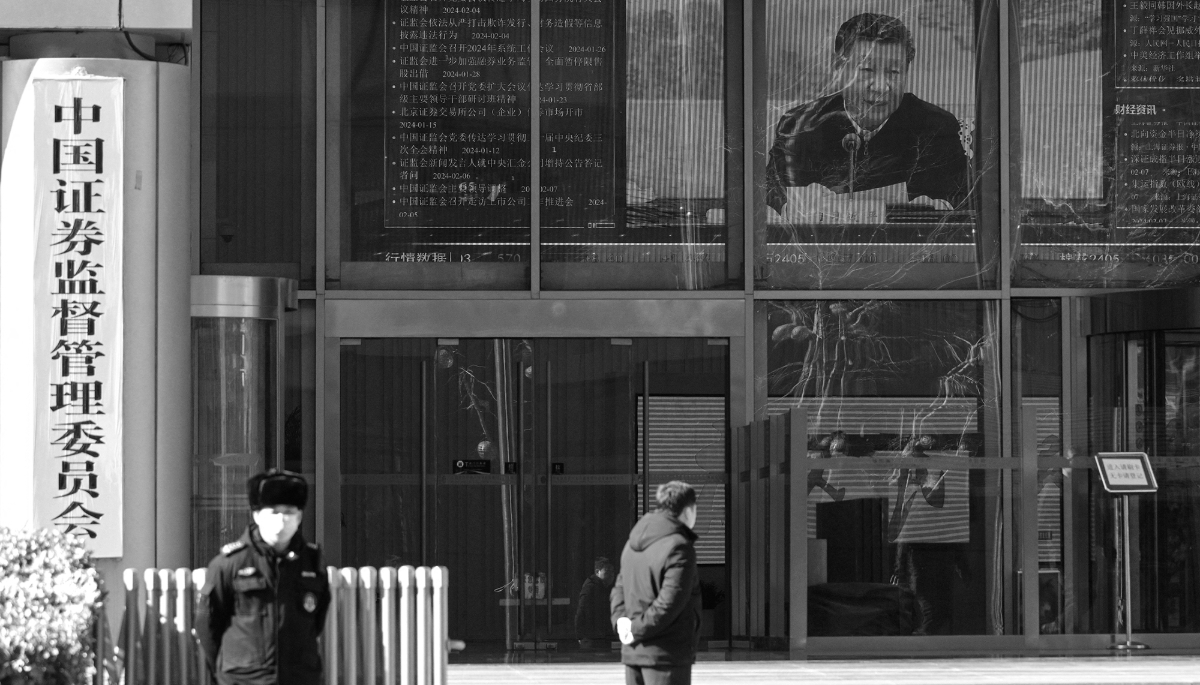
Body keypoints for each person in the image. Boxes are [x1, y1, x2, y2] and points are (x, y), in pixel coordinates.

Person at [765, 12, 972, 218]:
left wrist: (934, 208)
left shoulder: (936, 126)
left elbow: (964, 199)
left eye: (894, 72)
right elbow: (770, 194)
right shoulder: (801, 125)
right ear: (839, 69)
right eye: (867, 70)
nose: (881, 86)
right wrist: (791, 203)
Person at [196, 469, 331, 685]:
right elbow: (208, 624)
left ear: (299, 516)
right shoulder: (229, 563)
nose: (282, 519)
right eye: (274, 512)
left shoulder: (312, 563)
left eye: (289, 512)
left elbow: (317, 619)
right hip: (244, 679)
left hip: (300, 678)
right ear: (257, 515)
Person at [610, 481, 701, 685]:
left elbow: (619, 590)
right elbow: (669, 603)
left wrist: (621, 623)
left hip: (633, 654)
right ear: (688, 511)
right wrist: (635, 629)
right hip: (666, 656)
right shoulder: (679, 547)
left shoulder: (632, 544)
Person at [575, 556, 617, 649]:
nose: (611, 574)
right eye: (607, 570)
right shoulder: (591, 588)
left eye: (613, 571)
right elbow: (581, 611)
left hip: (600, 637)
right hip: (592, 639)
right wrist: (581, 636)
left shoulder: (604, 588)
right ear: (598, 571)